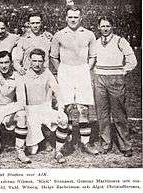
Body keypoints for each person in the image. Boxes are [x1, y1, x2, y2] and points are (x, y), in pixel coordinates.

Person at [50, 5, 98, 155]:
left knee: (83, 108)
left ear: (80, 18)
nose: (72, 20)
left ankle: (85, 143)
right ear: (65, 18)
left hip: (82, 71)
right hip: (65, 71)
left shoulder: (89, 34)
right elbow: (53, 57)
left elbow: (93, 56)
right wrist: (62, 71)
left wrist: (85, 69)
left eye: (75, 17)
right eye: (70, 17)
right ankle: (67, 142)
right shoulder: (59, 35)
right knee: (68, 108)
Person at [93, 16, 137, 157]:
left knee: (119, 114)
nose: (105, 29)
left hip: (116, 79)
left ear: (112, 27)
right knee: (102, 114)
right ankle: (106, 144)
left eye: (108, 26)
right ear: (98, 27)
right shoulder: (95, 42)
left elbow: (132, 60)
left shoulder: (120, 40)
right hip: (99, 79)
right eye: (102, 26)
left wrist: (122, 71)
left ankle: (125, 146)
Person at [23, 49, 69, 163]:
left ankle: (58, 151)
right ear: (29, 60)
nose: (37, 64)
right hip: (30, 111)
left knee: (63, 119)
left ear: (44, 61)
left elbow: (57, 91)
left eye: (40, 61)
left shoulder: (47, 73)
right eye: (34, 61)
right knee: (33, 151)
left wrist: (61, 110)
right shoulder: (23, 74)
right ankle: (43, 138)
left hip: (45, 109)